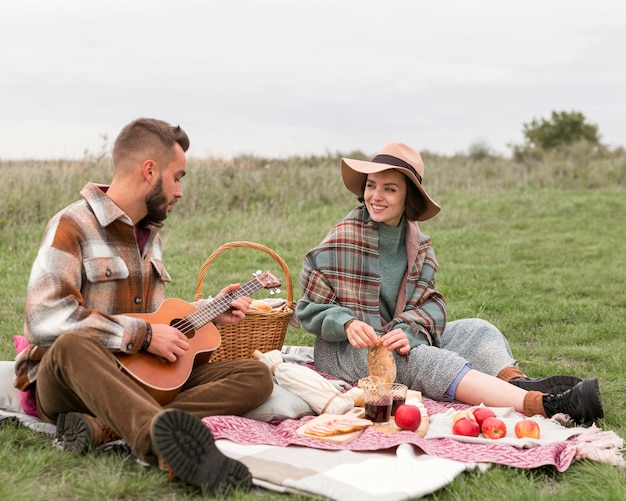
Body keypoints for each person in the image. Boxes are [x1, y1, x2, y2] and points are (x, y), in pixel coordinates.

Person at [13, 118, 274, 495]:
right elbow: (44, 319)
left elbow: (155, 321)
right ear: (149, 171)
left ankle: (103, 427)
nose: (180, 191)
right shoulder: (72, 225)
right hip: (71, 378)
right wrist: (145, 335)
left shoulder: (149, 236)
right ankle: (166, 444)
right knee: (73, 344)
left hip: (137, 379)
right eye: (178, 177)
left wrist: (209, 311)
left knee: (256, 375)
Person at [296, 141, 604, 424]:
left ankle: (512, 382)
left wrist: (406, 331)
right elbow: (308, 308)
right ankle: (545, 405)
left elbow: (429, 304)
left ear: (408, 198)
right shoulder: (343, 238)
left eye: (389, 189)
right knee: (425, 360)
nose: (376, 196)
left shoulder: (419, 246)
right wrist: (347, 322)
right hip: (346, 350)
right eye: (372, 186)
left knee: (477, 329)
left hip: (397, 340)